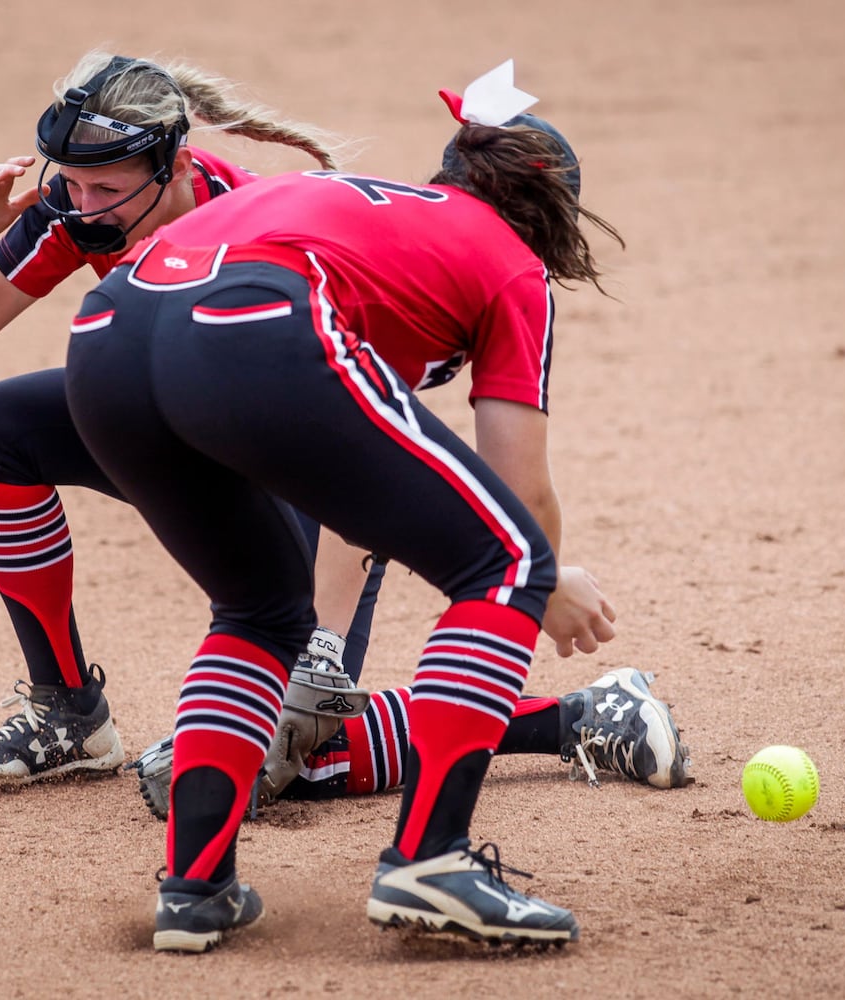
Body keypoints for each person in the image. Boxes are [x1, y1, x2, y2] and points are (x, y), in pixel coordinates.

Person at [0, 51, 691, 803]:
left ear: (176, 166)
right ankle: (68, 714)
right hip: (181, 422)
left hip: (304, 460)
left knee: (300, 744)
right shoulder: (87, 207)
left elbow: (346, 442)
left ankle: (577, 718)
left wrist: (316, 655)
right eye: (76, 184)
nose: (84, 205)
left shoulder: (268, 220)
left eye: (107, 187)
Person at [61, 61, 659, 952]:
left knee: (258, 609)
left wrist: (325, 641)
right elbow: (516, 491)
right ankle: (433, 863)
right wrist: (539, 587)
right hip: (243, 328)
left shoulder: (360, 213)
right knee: (506, 564)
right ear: (547, 218)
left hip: (104, 336)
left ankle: (195, 891)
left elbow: (345, 464)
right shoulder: (507, 263)